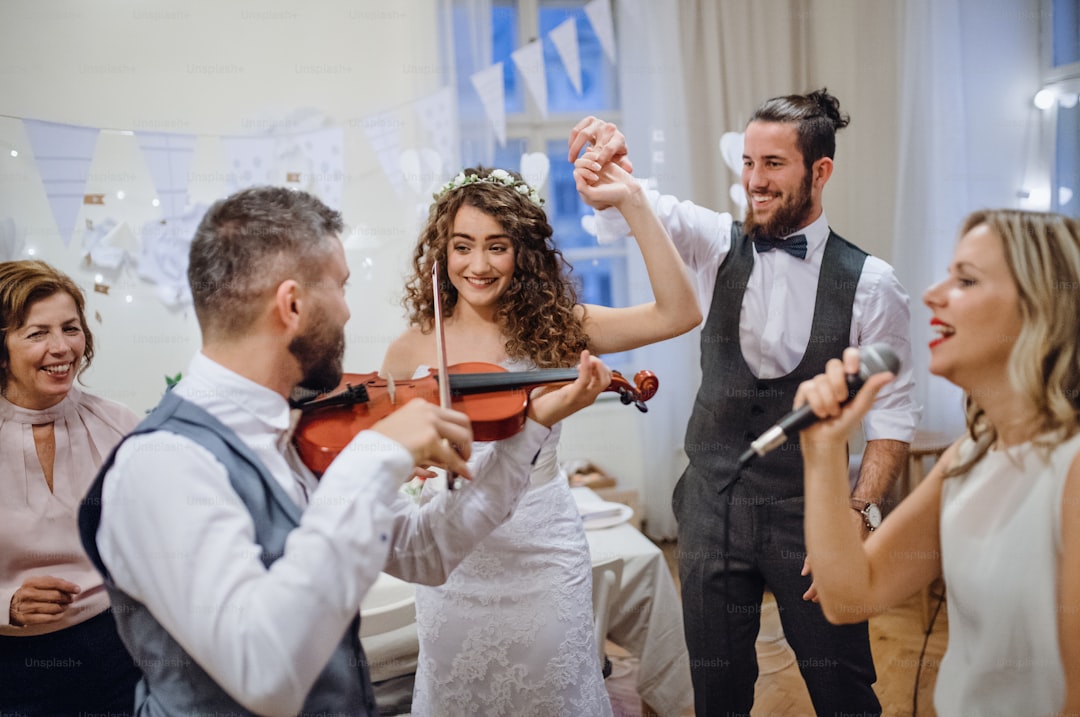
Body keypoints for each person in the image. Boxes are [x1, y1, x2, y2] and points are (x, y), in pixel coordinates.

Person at [77, 185, 613, 716]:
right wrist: (377, 455)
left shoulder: (303, 434)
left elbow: (429, 551)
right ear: (292, 305)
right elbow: (265, 675)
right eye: (341, 287)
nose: (349, 313)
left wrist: (530, 427)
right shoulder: (164, 464)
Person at [570, 88, 920, 716]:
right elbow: (637, 207)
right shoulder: (712, 241)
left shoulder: (872, 284)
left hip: (807, 517)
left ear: (821, 171)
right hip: (710, 509)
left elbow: (893, 417)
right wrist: (607, 162)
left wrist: (858, 512)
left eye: (773, 165)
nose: (755, 181)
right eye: (749, 163)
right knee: (717, 691)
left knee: (843, 688)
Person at [381, 164, 700, 715]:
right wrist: (408, 469)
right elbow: (390, 456)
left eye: (496, 247)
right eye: (462, 246)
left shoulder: (557, 329)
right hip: (454, 561)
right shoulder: (412, 350)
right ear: (442, 251)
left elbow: (680, 312)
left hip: (541, 551)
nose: (477, 265)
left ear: (522, 254)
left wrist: (632, 203)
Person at [796, 209, 1080, 717]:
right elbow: (849, 596)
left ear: (1041, 308)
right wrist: (820, 453)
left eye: (965, 280)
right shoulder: (968, 457)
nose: (932, 293)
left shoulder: (1071, 469)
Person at [0, 259, 142, 715]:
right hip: (13, 668)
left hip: (122, 646)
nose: (62, 348)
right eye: (37, 333)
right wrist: (8, 604)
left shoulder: (120, 423)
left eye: (71, 328)